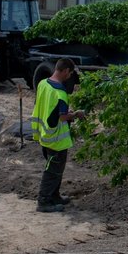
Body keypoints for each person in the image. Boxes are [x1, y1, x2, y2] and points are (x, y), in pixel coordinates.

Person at [31, 58, 85, 213]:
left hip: (43, 133)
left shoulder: (43, 84)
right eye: (70, 73)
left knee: (55, 168)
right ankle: (44, 201)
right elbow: (62, 117)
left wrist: (64, 113)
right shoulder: (60, 93)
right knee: (53, 169)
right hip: (56, 138)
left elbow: (50, 108)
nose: (70, 77)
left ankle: (54, 195)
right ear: (66, 71)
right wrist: (75, 114)